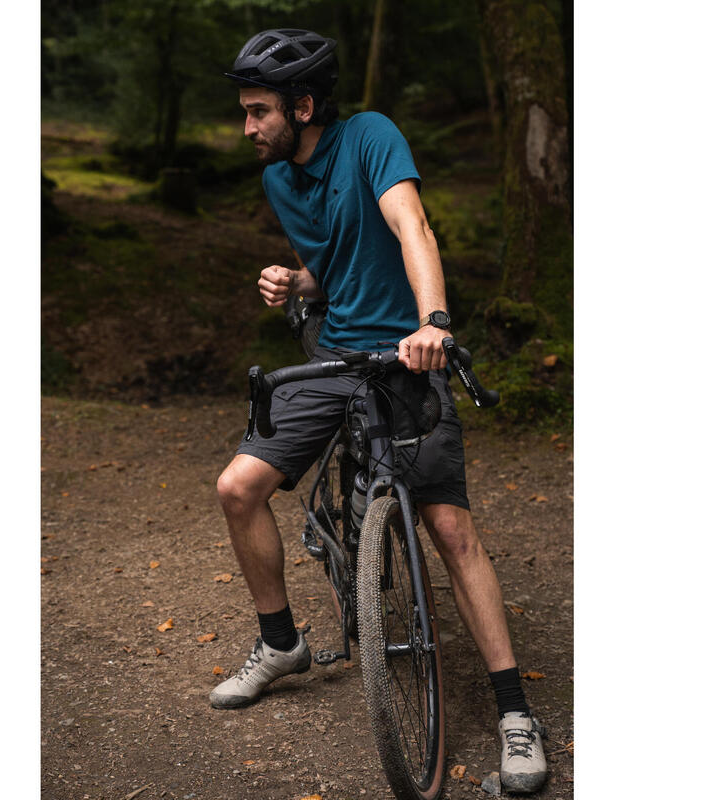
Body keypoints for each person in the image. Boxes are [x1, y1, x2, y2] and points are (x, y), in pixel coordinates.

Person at [211, 28, 547, 794]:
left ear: (302, 106)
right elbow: (334, 266)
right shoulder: (277, 182)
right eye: (245, 111)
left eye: (259, 111)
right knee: (237, 487)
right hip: (333, 360)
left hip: (404, 356)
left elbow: (409, 227)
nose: (247, 127)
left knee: (451, 528)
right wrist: (295, 283)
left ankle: (514, 713)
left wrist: (432, 324)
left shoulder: (371, 137)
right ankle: (281, 643)